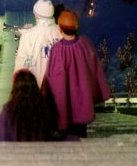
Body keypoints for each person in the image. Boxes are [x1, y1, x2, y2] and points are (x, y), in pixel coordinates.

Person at [43, 10, 110, 139]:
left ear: (60, 28)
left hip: (65, 101)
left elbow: (53, 79)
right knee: (80, 129)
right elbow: (94, 67)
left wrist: (46, 94)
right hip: (82, 97)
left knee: (68, 132)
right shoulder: (85, 43)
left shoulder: (57, 50)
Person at [0, 69, 52, 141]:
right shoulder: (42, 108)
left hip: (12, 151)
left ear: (15, 89)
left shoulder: (8, 109)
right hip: (38, 150)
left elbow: (1, 137)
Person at [14, 0, 61, 87]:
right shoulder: (61, 32)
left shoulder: (28, 36)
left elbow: (21, 64)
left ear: (36, 15)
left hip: (36, 88)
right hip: (59, 87)